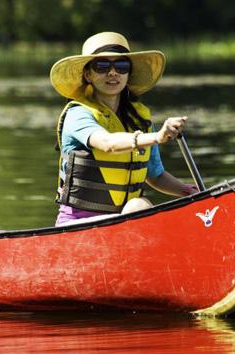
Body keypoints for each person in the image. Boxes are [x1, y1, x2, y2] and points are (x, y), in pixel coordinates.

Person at [49, 32, 197, 226]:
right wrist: (157, 136)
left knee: (139, 204)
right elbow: (107, 143)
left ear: (128, 73)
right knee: (139, 206)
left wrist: (188, 191)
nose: (112, 73)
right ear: (88, 74)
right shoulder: (78, 115)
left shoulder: (140, 119)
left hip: (123, 221)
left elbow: (156, 175)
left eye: (121, 66)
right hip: (78, 226)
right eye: (102, 66)